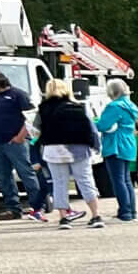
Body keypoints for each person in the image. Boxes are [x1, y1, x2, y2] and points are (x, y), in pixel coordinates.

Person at [34, 78, 104, 229]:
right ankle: (96, 215)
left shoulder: (43, 109)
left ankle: (64, 218)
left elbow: (36, 130)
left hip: (53, 149)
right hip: (78, 148)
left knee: (59, 183)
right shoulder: (78, 106)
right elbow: (91, 129)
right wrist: (96, 147)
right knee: (85, 181)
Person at [0, 67, 43, 221]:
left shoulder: (18, 95)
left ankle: (38, 206)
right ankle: (13, 209)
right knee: (3, 177)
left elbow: (31, 118)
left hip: (15, 143)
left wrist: (21, 136)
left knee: (26, 173)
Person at [94, 79, 138, 220]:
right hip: (129, 144)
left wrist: (94, 121)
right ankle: (131, 211)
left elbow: (103, 125)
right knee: (126, 180)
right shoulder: (132, 106)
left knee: (118, 180)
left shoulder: (114, 106)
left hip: (115, 145)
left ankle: (125, 211)